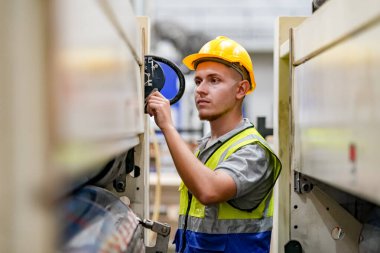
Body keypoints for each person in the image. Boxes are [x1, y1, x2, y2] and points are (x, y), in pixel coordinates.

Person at [146, 36, 282, 253]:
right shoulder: (207, 148)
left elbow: (209, 191)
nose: (200, 89)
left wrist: (168, 128)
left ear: (241, 89)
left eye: (214, 80)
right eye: (199, 81)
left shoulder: (254, 151)